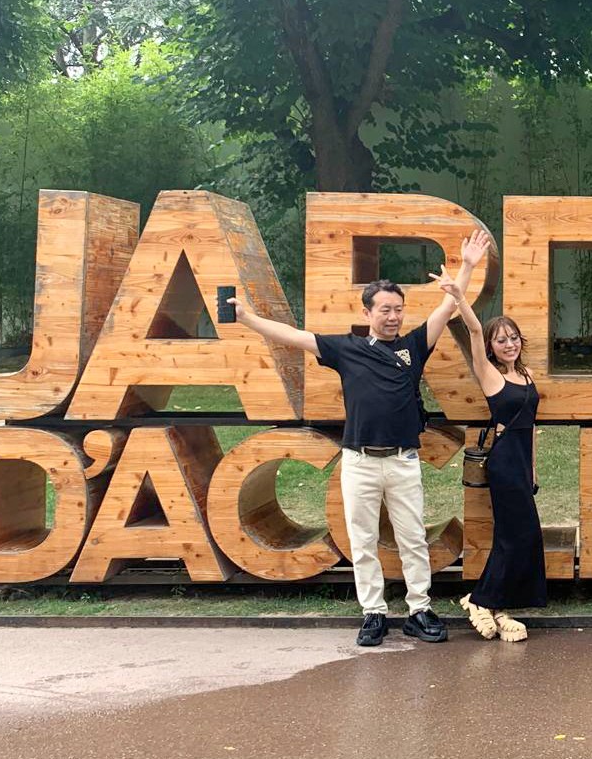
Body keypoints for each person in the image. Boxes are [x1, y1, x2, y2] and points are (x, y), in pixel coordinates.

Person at [229, 229, 493, 647]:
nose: (393, 317)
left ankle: (419, 609)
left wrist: (468, 266)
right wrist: (247, 319)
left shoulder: (413, 346)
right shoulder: (345, 348)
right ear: (367, 311)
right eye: (385, 309)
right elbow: (292, 336)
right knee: (363, 540)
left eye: (398, 309)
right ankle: (374, 613)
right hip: (360, 462)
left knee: (412, 538)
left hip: (403, 461)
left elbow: (447, 306)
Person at [438, 274, 546, 643]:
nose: (509, 344)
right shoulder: (489, 374)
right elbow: (471, 328)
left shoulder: (527, 375)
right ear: (491, 346)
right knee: (516, 536)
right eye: (501, 340)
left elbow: (531, 425)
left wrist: (533, 470)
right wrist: (459, 295)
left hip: (522, 462)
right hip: (503, 463)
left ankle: (493, 603)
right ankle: (483, 600)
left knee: (518, 535)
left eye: (513, 338)